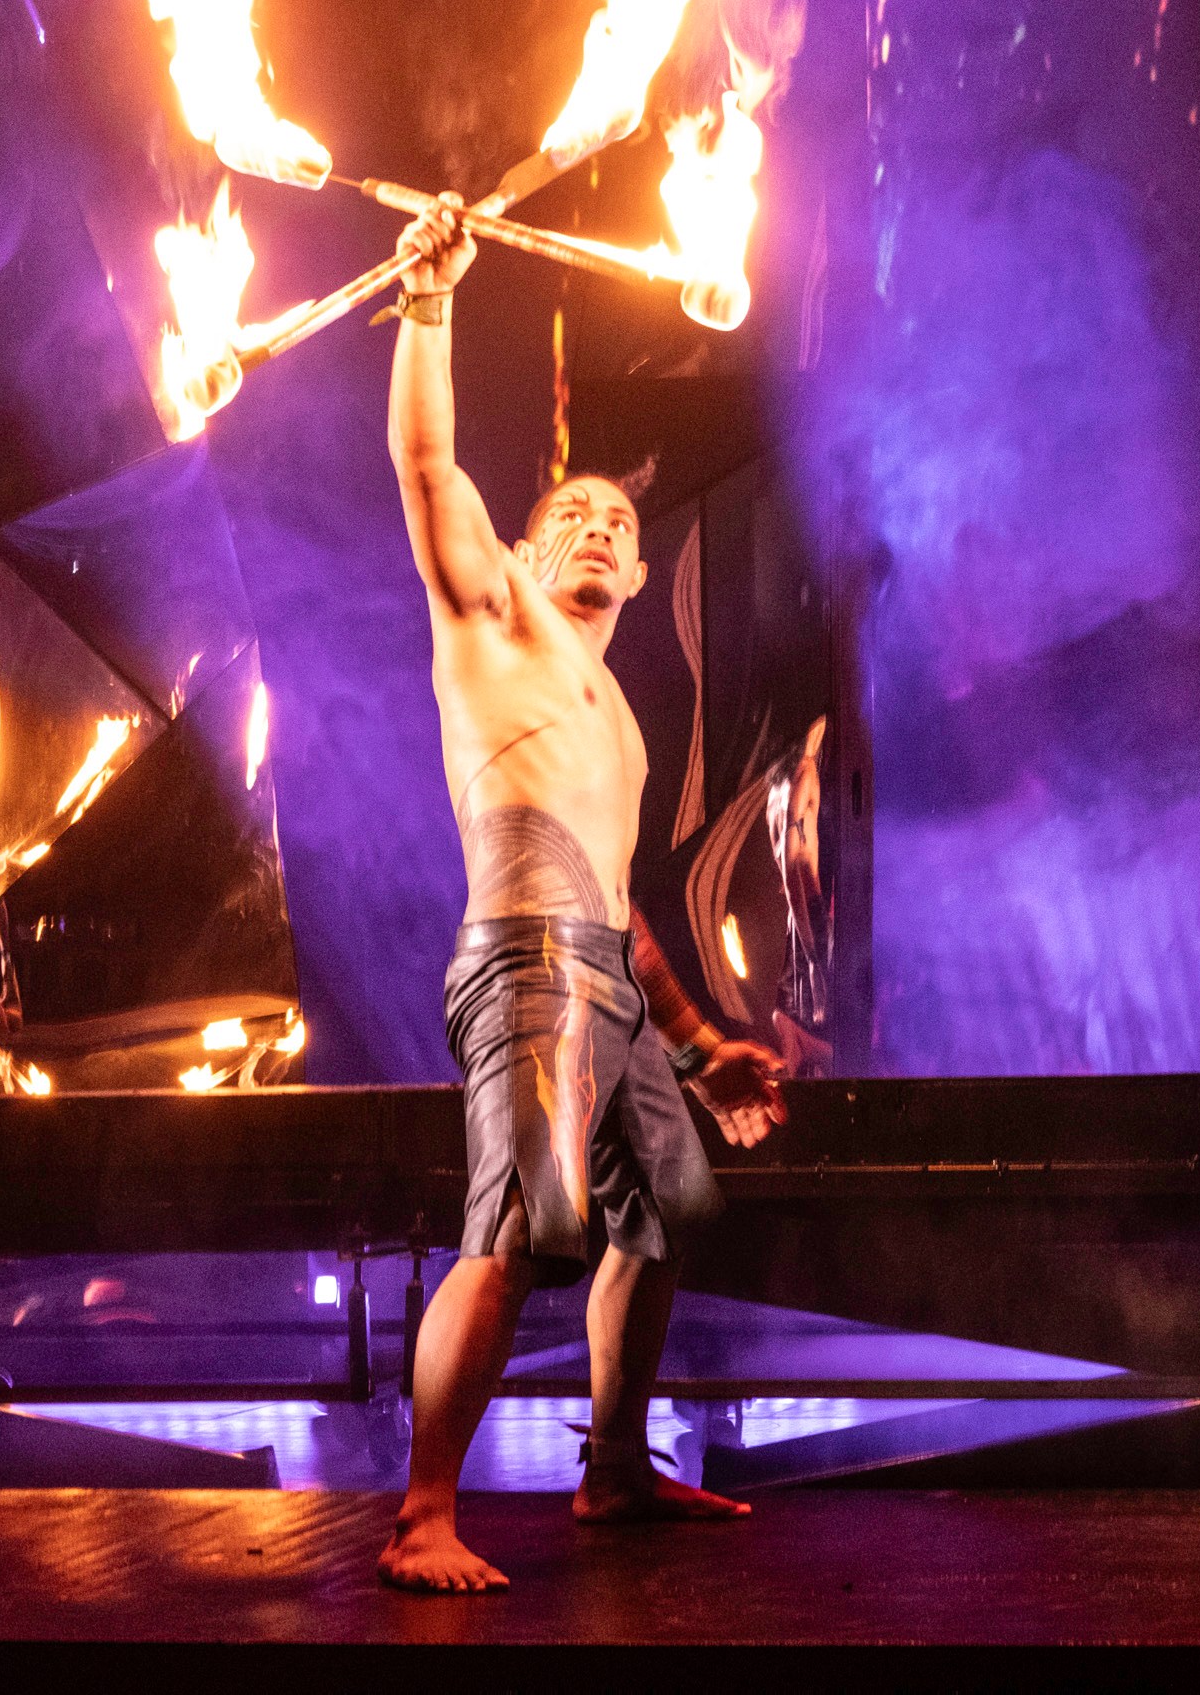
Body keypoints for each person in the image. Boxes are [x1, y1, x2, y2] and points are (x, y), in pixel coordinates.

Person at [377, 193, 788, 1593]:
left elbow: (625, 895)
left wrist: (697, 1037)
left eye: (621, 517)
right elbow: (428, 464)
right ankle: (424, 1512)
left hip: (607, 974)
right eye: (573, 514)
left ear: (642, 561)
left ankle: (612, 1474)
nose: (602, 527)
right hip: (528, 964)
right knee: (524, 1228)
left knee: (665, 1214)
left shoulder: (618, 714)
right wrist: (429, 305)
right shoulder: (492, 618)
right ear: (534, 554)